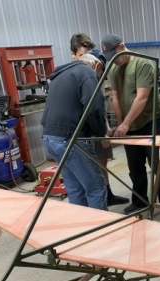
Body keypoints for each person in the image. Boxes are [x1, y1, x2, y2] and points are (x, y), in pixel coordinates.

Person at [101, 34, 160, 219]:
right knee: (135, 168)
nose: (114, 60)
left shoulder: (143, 63)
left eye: (115, 55)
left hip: (150, 123)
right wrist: (121, 125)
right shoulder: (114, 68)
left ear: (122, 46)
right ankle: (139, 200)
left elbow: (142, 97)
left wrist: (125, 124)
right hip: (129, 126)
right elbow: (116, 98)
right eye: (110, 57)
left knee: (159, 165)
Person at [41, 41, 107, 210]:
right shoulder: (87, 72)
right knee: (96, 186)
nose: (99, 77)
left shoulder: (62, 74)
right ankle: (101, 232)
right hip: (68, 140)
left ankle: (83, 230)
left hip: (50, 138)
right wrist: (101, 134)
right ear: (97, 65)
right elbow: (94, 107)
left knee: (75, 188)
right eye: (101, 73)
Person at [69, 34, 129, 207]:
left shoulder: (96, 71)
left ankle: (107, 193)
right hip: (84, 129)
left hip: (98, 122)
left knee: (102, 160)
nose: (86, 60)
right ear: (73, 54)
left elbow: (99, 104)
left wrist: (106, 129)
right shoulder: (75, 74)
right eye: (81, 56)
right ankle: (91, 201)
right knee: (86, 167)